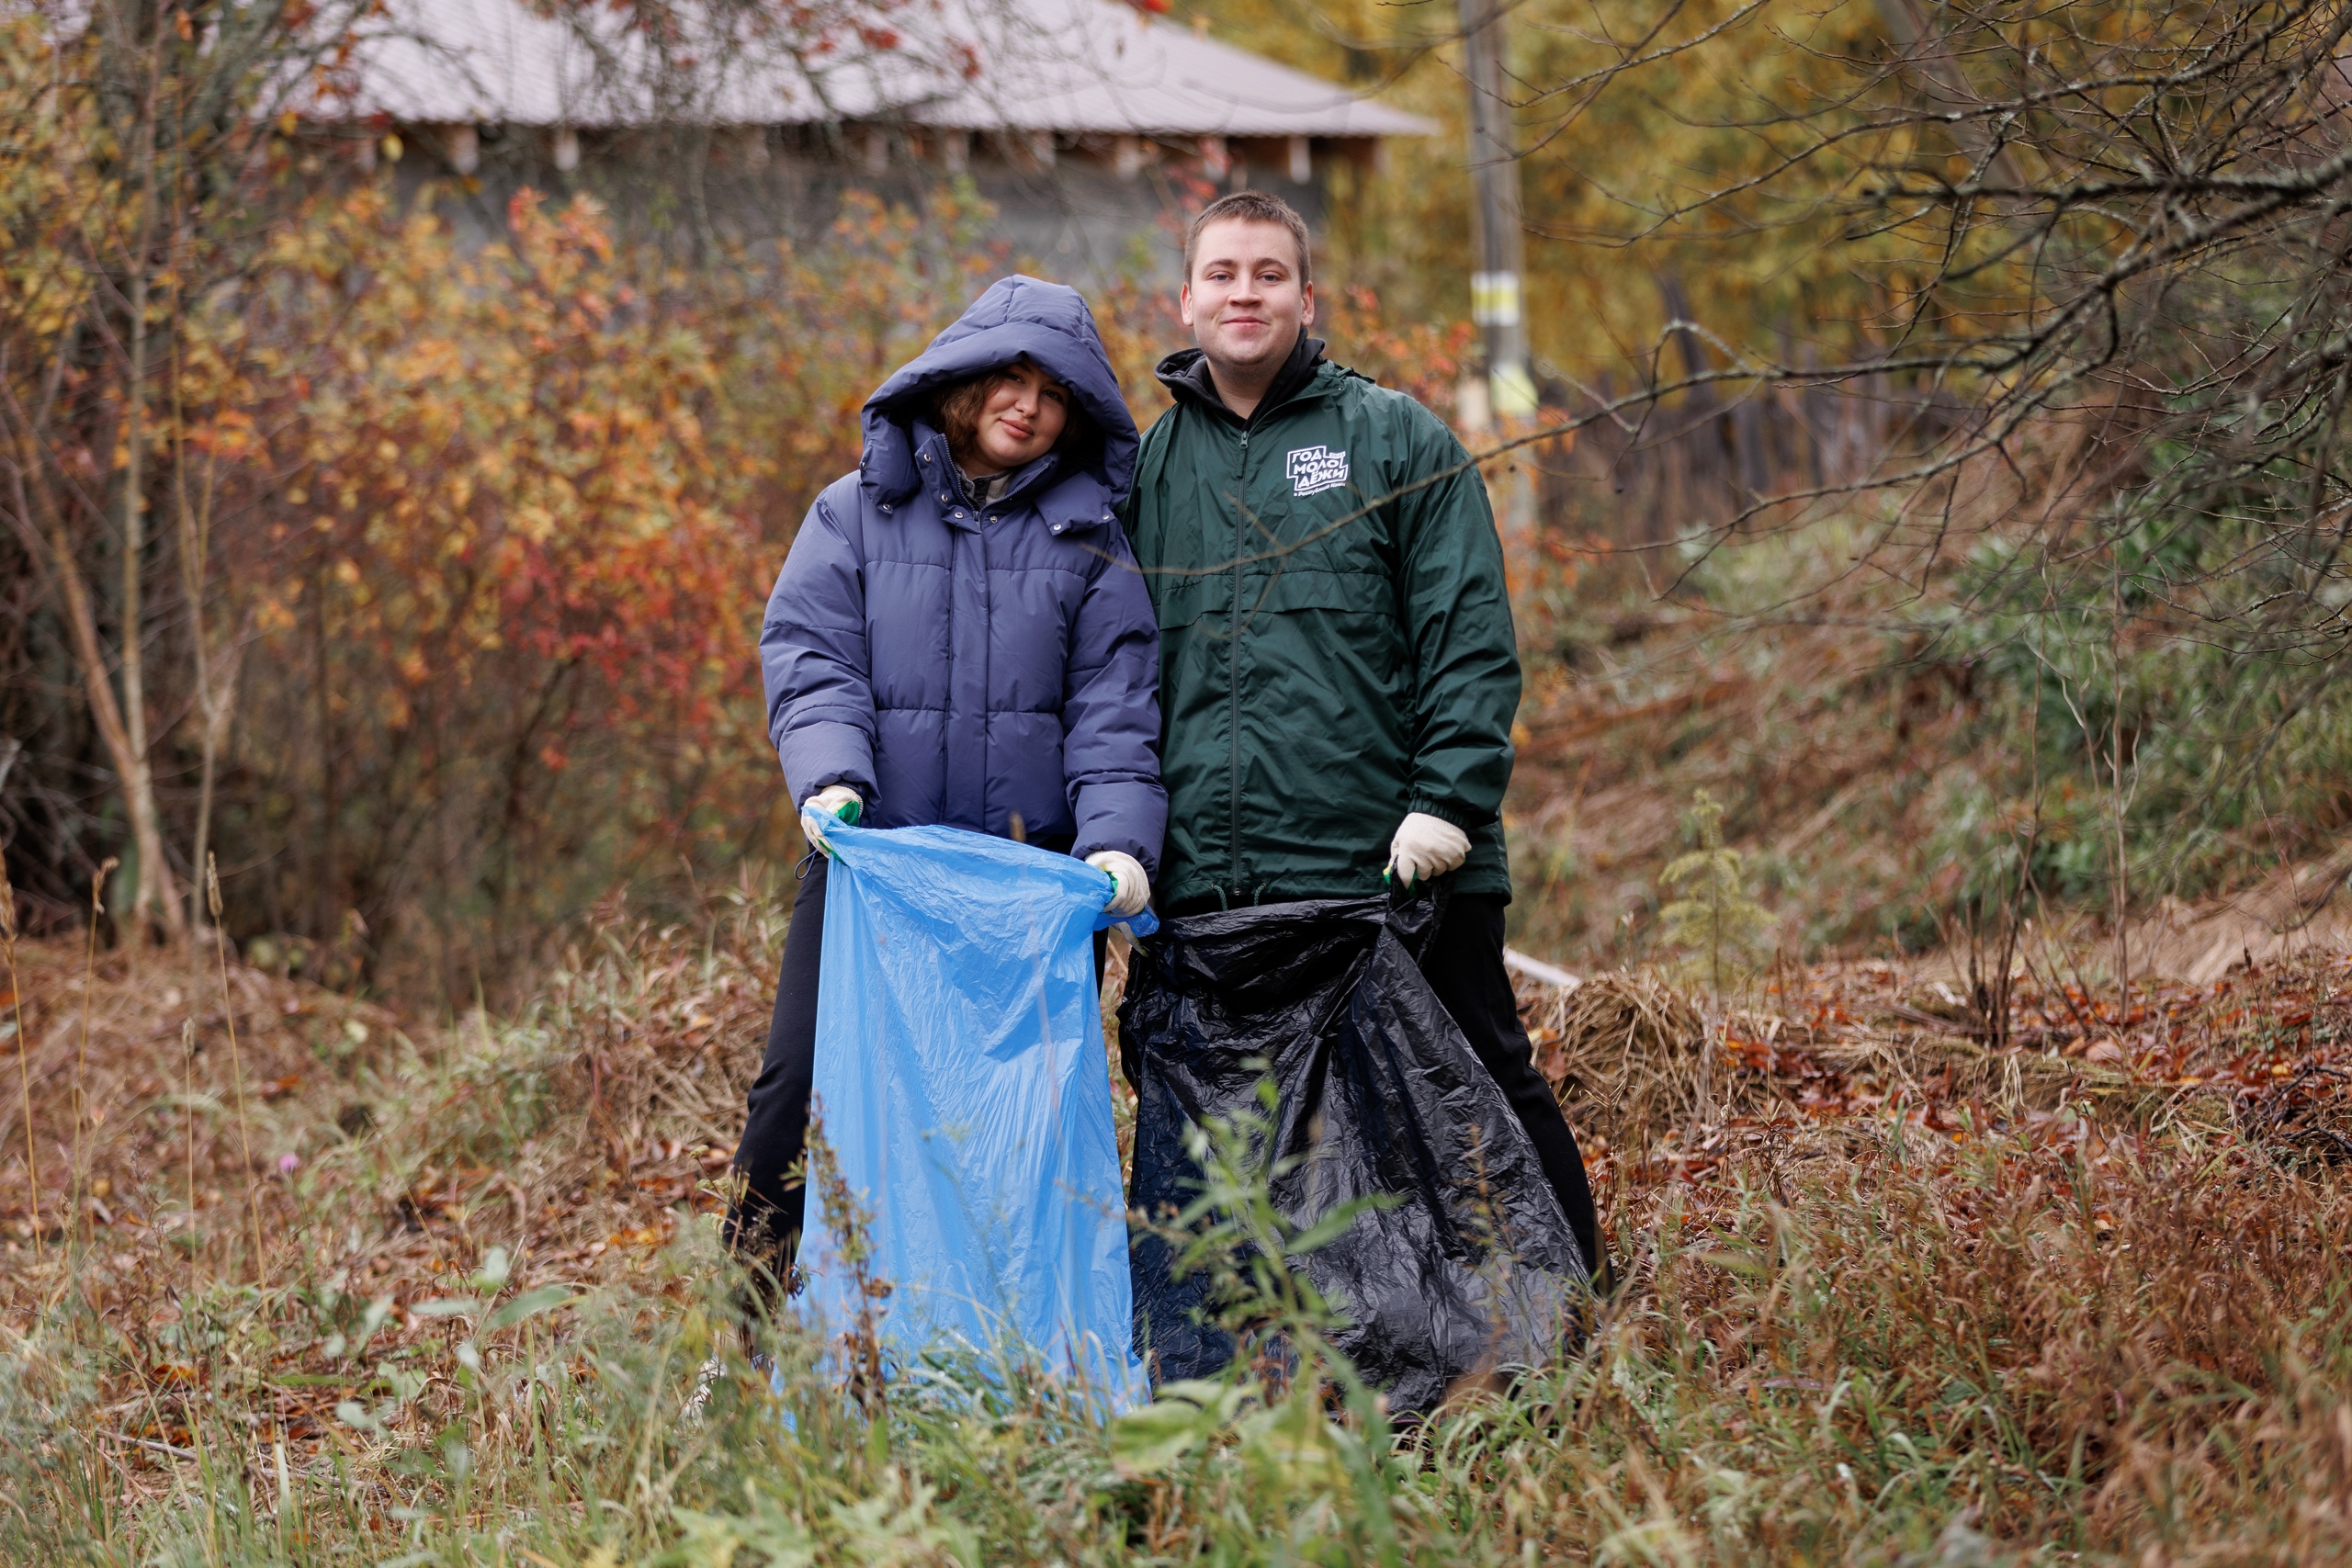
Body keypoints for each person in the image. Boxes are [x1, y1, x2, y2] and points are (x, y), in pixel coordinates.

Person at [1120, 190, 1601, 1276]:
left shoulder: (1395, 441)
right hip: (1223, 889)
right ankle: (1335, 1343)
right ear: (1185, 299)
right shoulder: (1145, 471)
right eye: (1222, 273)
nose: (1245, 293)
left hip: (1401, 870)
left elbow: (1468, 639)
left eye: (1270, 273)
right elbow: (1112, 674)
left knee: (1479, 1082)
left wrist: (1447, 805)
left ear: (1308, 299)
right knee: (1264, 1139)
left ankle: (1583, 1315)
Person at [729, 275, 1165, 1288]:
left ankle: (978, 1350)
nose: (1029, 406)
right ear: (965, 380)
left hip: (1027, 891)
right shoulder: (853, 514)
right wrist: (830, 777)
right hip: (874, 870)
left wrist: (1116, 842)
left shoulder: (1092, 543)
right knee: (799, 1093)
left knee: (1008, 1129)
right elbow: (813, 658)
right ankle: (737, 1336)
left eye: (1054, 394)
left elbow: (1114, 706)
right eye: (1012, 380)